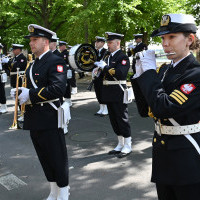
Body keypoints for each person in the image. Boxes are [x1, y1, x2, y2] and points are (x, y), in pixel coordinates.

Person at [131, 13, 200, 200]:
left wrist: (150, 74)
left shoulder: (195, 74)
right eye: (162, 38)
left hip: (187, 159)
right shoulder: (164, 71)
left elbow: (164, 108)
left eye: (171, 37)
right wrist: (139, 77)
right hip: (163, 156)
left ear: (189, 39)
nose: (165, 43)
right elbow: (145, 110)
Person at [12, 24, 70, 200]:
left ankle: (64, 192)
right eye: (30, 40)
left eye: (34, 40)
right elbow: (30, 88)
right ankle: (53, 190)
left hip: (50, 117)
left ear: (45, 41)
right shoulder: (33, 64)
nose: (31, 43)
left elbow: (58, 89)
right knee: (45, 158)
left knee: (57, 157)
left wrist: (30, 94)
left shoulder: (55, 61)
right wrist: (21, 92)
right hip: (35, 118)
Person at [94, 32, 132, 158]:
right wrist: (97, 71)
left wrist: (105, 68)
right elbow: (105, 72)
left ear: (118, 43)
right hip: (108, 92)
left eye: (110, 42)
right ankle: (120, 143)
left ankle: (128, 144)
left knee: (121, 118)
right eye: (108, 42)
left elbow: (120, 73)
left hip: (118, 92)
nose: (108, 45)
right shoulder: (107, 57)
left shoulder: (123, 57)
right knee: (114, 120)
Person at [94, 36, 109, 116]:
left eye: (98, 42)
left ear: (102, 43)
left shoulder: (106, 52)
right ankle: (101, 108)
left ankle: (105, 108)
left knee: (103, 91)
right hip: (96, 75)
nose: (96, 43)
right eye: (96, 42)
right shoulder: (94, 52)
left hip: (103, 75)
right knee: (97, 91)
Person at [0, 43, 9, 113]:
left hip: (1, 75)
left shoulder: (3, 57)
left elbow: (8, 62)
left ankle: (4, 106)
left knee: (1, 91)